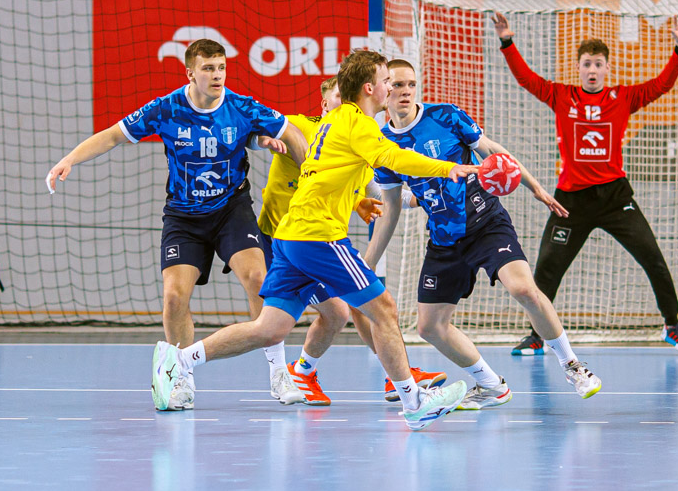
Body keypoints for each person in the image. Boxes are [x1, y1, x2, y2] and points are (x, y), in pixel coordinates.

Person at [151, 49, 476, 431]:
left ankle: (178, 360)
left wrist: (355, 200)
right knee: (384, 308)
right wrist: (449, 168)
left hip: (291, 235)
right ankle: (414, 401)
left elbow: (327, 174)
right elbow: (392, 157)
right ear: (369, 87)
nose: (391, 88)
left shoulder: (335, 119)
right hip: (317, 236)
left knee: (269, 328)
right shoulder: (357, 122)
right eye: (387, 81)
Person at [47, 38, 310, 410]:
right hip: (184, 217)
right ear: (190, 73)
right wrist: (69, 160)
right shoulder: (166, 109)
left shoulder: (241, 107)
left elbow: (291, 132)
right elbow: (113, 136)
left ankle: (279, 373)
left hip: (231, 210)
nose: (217, 75)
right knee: (173, 297)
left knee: (258, 278)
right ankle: (181, 378)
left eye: (221, 68)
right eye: (208, 69)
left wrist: (309, 177)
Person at [363, 59, 602, 408]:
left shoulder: (445, 116)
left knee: (524, 289)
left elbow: (491, 150)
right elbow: (391, 207)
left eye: (411, 84)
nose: (406, 91)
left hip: (486, 222)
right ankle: (492, 385)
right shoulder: (383, 144)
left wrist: (534, 186)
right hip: (444, 238)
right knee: (429, 327)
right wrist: (368, 263)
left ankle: (573, 366)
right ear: (384, 90)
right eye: (397, 85)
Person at [492, 13, 678, 354]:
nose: (592, 70)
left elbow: (661, 85)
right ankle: (537, 335)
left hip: (615, 198)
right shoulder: (561, 96)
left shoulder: (623, 98)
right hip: (571, 201)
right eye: (587, 64)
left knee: (653, 259)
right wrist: (507, 42)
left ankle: (672, 326)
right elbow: (526, 79)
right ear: (578, 68)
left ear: (606, 69)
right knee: (546, 270)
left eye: (598, 64)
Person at [256, 76, 445, 406]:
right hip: (288, 236)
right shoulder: (305, 125)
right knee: (358, 307)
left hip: (313, 239)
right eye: (338, 97)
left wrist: (418, 198)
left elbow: (375, 188)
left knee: (342, 312)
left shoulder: (349, 135)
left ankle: (305, 372)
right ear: (324, 104)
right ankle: (398, 381)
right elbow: (265, 128)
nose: (346, 102)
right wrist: (265, 138)